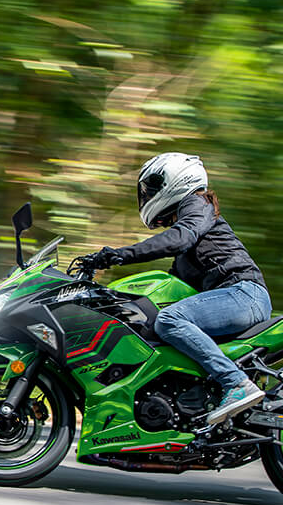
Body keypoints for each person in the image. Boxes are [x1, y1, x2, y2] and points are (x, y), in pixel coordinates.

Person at [77, 152, 272, 426]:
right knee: (155, 322)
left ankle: (235, 383)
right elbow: (167, 286)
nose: (148, 194)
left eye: (153, 186)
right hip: (233, 297)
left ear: (177, 178)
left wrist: (120, 254)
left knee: (171, 320)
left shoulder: (197, 205)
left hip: (243, 294)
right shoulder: (188, 240)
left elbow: (178, 238)